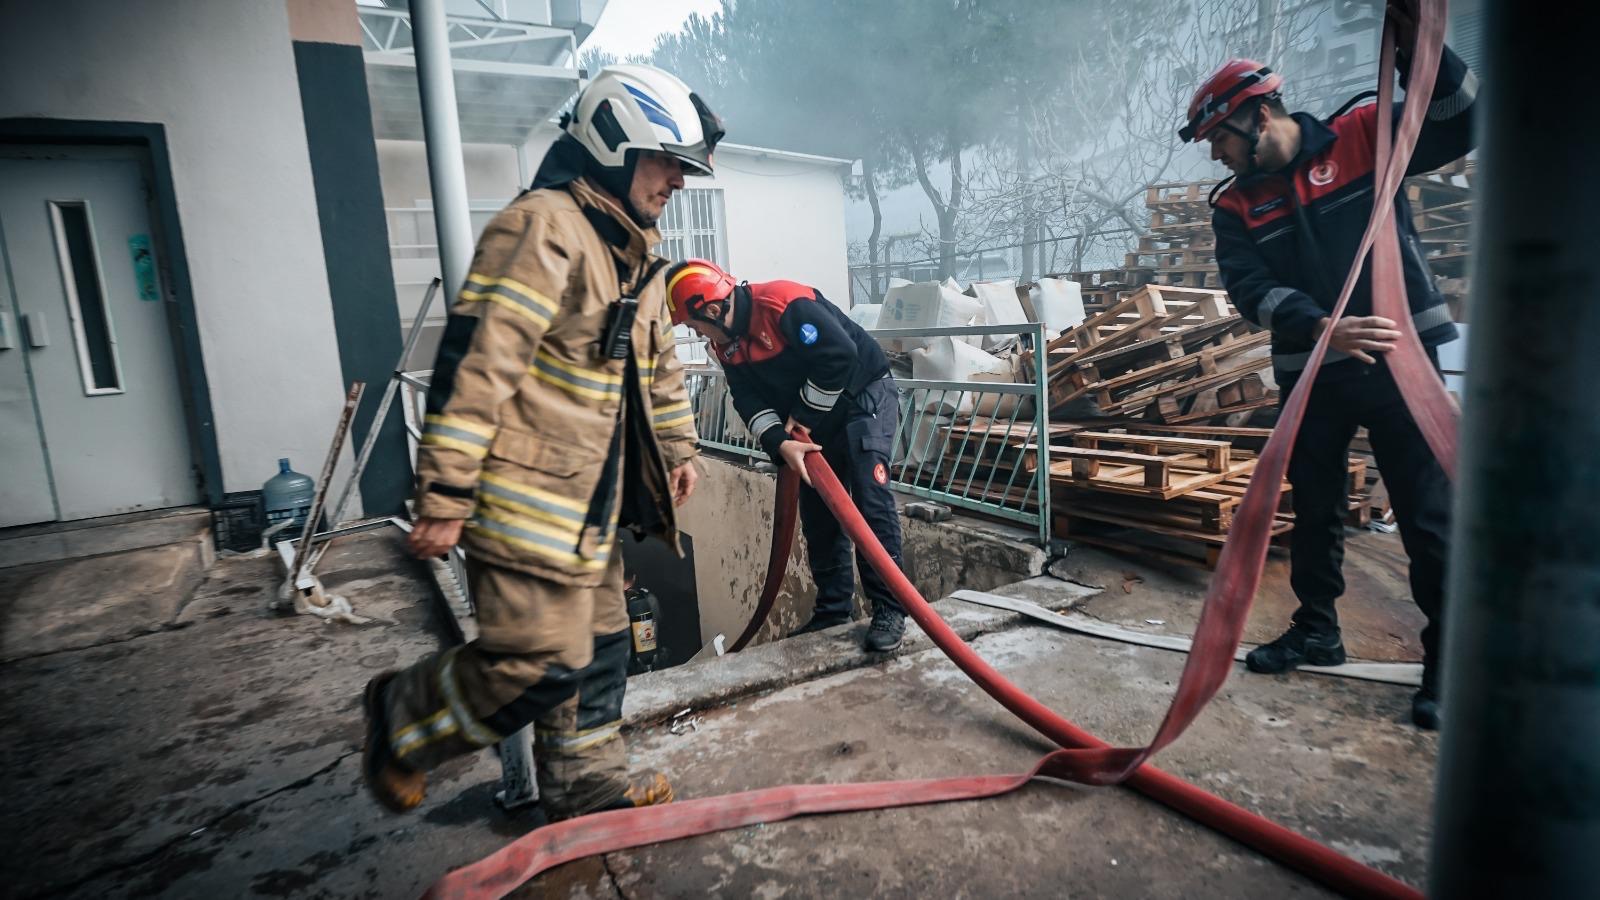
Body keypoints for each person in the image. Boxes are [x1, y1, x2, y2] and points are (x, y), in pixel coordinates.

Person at [361, 64, 723, 817]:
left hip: (590, 510)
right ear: (617, 143)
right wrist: (446, 490)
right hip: (525, 504)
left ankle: (583, 784)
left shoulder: (632, 254)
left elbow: (653, 365)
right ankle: (401, 716)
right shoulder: (542, 229)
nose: (677, 183)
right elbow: (476, 365)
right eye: (668, 162)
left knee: (600, 647)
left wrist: (679, 450)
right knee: (534, 667)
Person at [1181, 16, 1476, 730]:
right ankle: (1318, 629)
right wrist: (1322, 327)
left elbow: (1460, 122)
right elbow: (1247, 290)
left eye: (1220, 139)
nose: (1217, 157)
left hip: (1400, 357)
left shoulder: (1363, 133)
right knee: (1313, 507)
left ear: (1255, 115)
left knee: (1427, 517)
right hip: (1313, 371)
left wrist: (1415, 48)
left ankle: (1448, 662)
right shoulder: (1235, 206)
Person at [665, 259, 909, 652]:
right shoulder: (726, 346)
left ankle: (890, 608)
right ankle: (833, 612)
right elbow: (746, 399)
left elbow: (839, 358)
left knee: (867, 500)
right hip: (811, 423)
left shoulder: (783, 303)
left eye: (693, 323)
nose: (694, 331)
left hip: (863, 398)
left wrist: (802, 418)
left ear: (712, 309)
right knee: (818, 510)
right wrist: (781, 442)